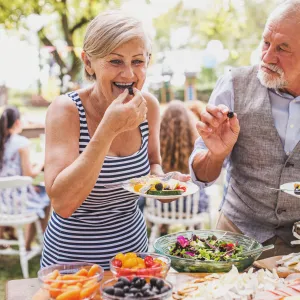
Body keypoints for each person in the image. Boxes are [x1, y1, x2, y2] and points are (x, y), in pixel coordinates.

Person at [41, 10, 189, 269]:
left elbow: (153, 164)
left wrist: (163, 183)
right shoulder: (65, 110)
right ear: (88, 63)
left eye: (138, 61)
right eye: (116, 61)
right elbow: (63, 203)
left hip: (133, 260)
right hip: (72, 265)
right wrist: (108, 130)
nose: (129, 74)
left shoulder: (149, 106)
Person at [190, 0, 300, 258]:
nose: (267, 56)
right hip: (236, 241)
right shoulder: (233, 85)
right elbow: (201, 176)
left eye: (283, 48)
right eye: (266, 42)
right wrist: (215, 155)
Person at [0, 106, 50, 251]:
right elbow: (29, 174)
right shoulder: (21, 142)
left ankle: (4, 238)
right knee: (45, 195)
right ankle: (28, 245)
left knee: (33, 190)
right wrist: (41, 162)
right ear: (17, 123)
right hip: (16, 202)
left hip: (1, 201)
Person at [158, 100, 209, 235]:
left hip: (160, 207)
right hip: (192, 206)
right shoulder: (196, 144)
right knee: (199, 190)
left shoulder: (156, 145)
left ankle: (163, 228)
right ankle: (194, 230)